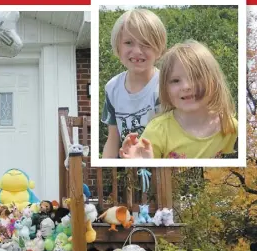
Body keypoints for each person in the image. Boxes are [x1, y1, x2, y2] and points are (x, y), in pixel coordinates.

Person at [120, 40, 238, 159]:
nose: (186, 86)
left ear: (214, 81)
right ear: (166, 89)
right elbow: (145, 171)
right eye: (175, 81)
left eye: (195, 77)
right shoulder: (157, 131)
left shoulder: (229, 126)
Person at [101, 8, 167, 158]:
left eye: (145, 43)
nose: (137, 51)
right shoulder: (112, 88)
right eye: (128, 42)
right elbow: (112, 139)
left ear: (159, 48)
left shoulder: (165, 85)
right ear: (118, 47)